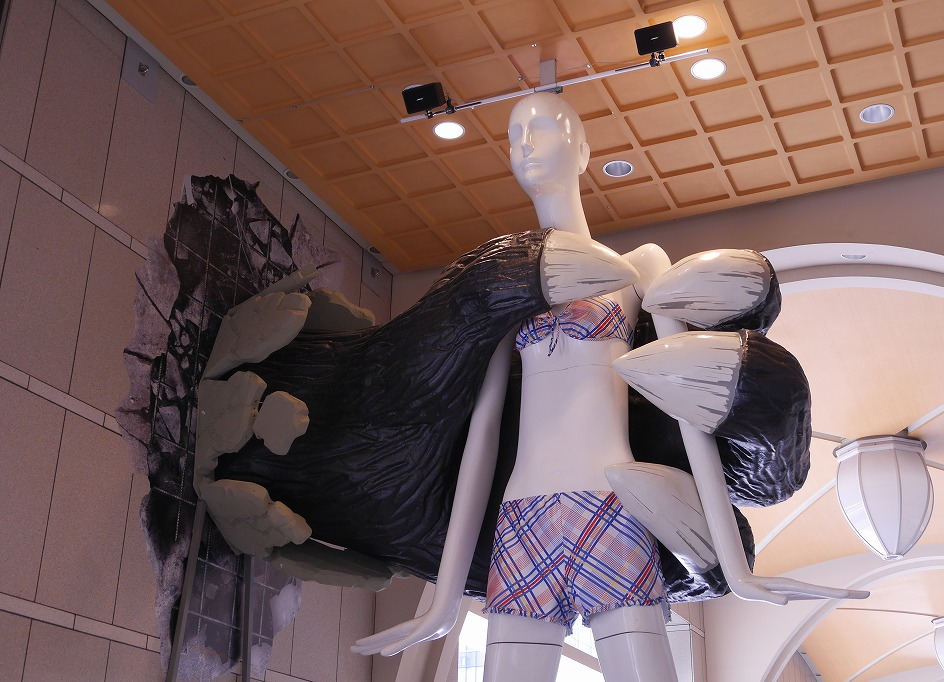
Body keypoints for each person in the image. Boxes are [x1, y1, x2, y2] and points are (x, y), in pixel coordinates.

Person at [351, 93, 865, 681]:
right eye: (514, 136)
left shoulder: (641, 266)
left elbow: (686, 415)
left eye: (542, 129)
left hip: (613, 503)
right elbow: (483, 435)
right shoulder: (512, 281)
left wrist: (734, 564)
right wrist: (443, 600)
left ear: (582, 148)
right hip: (521, 516)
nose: (525, 147)